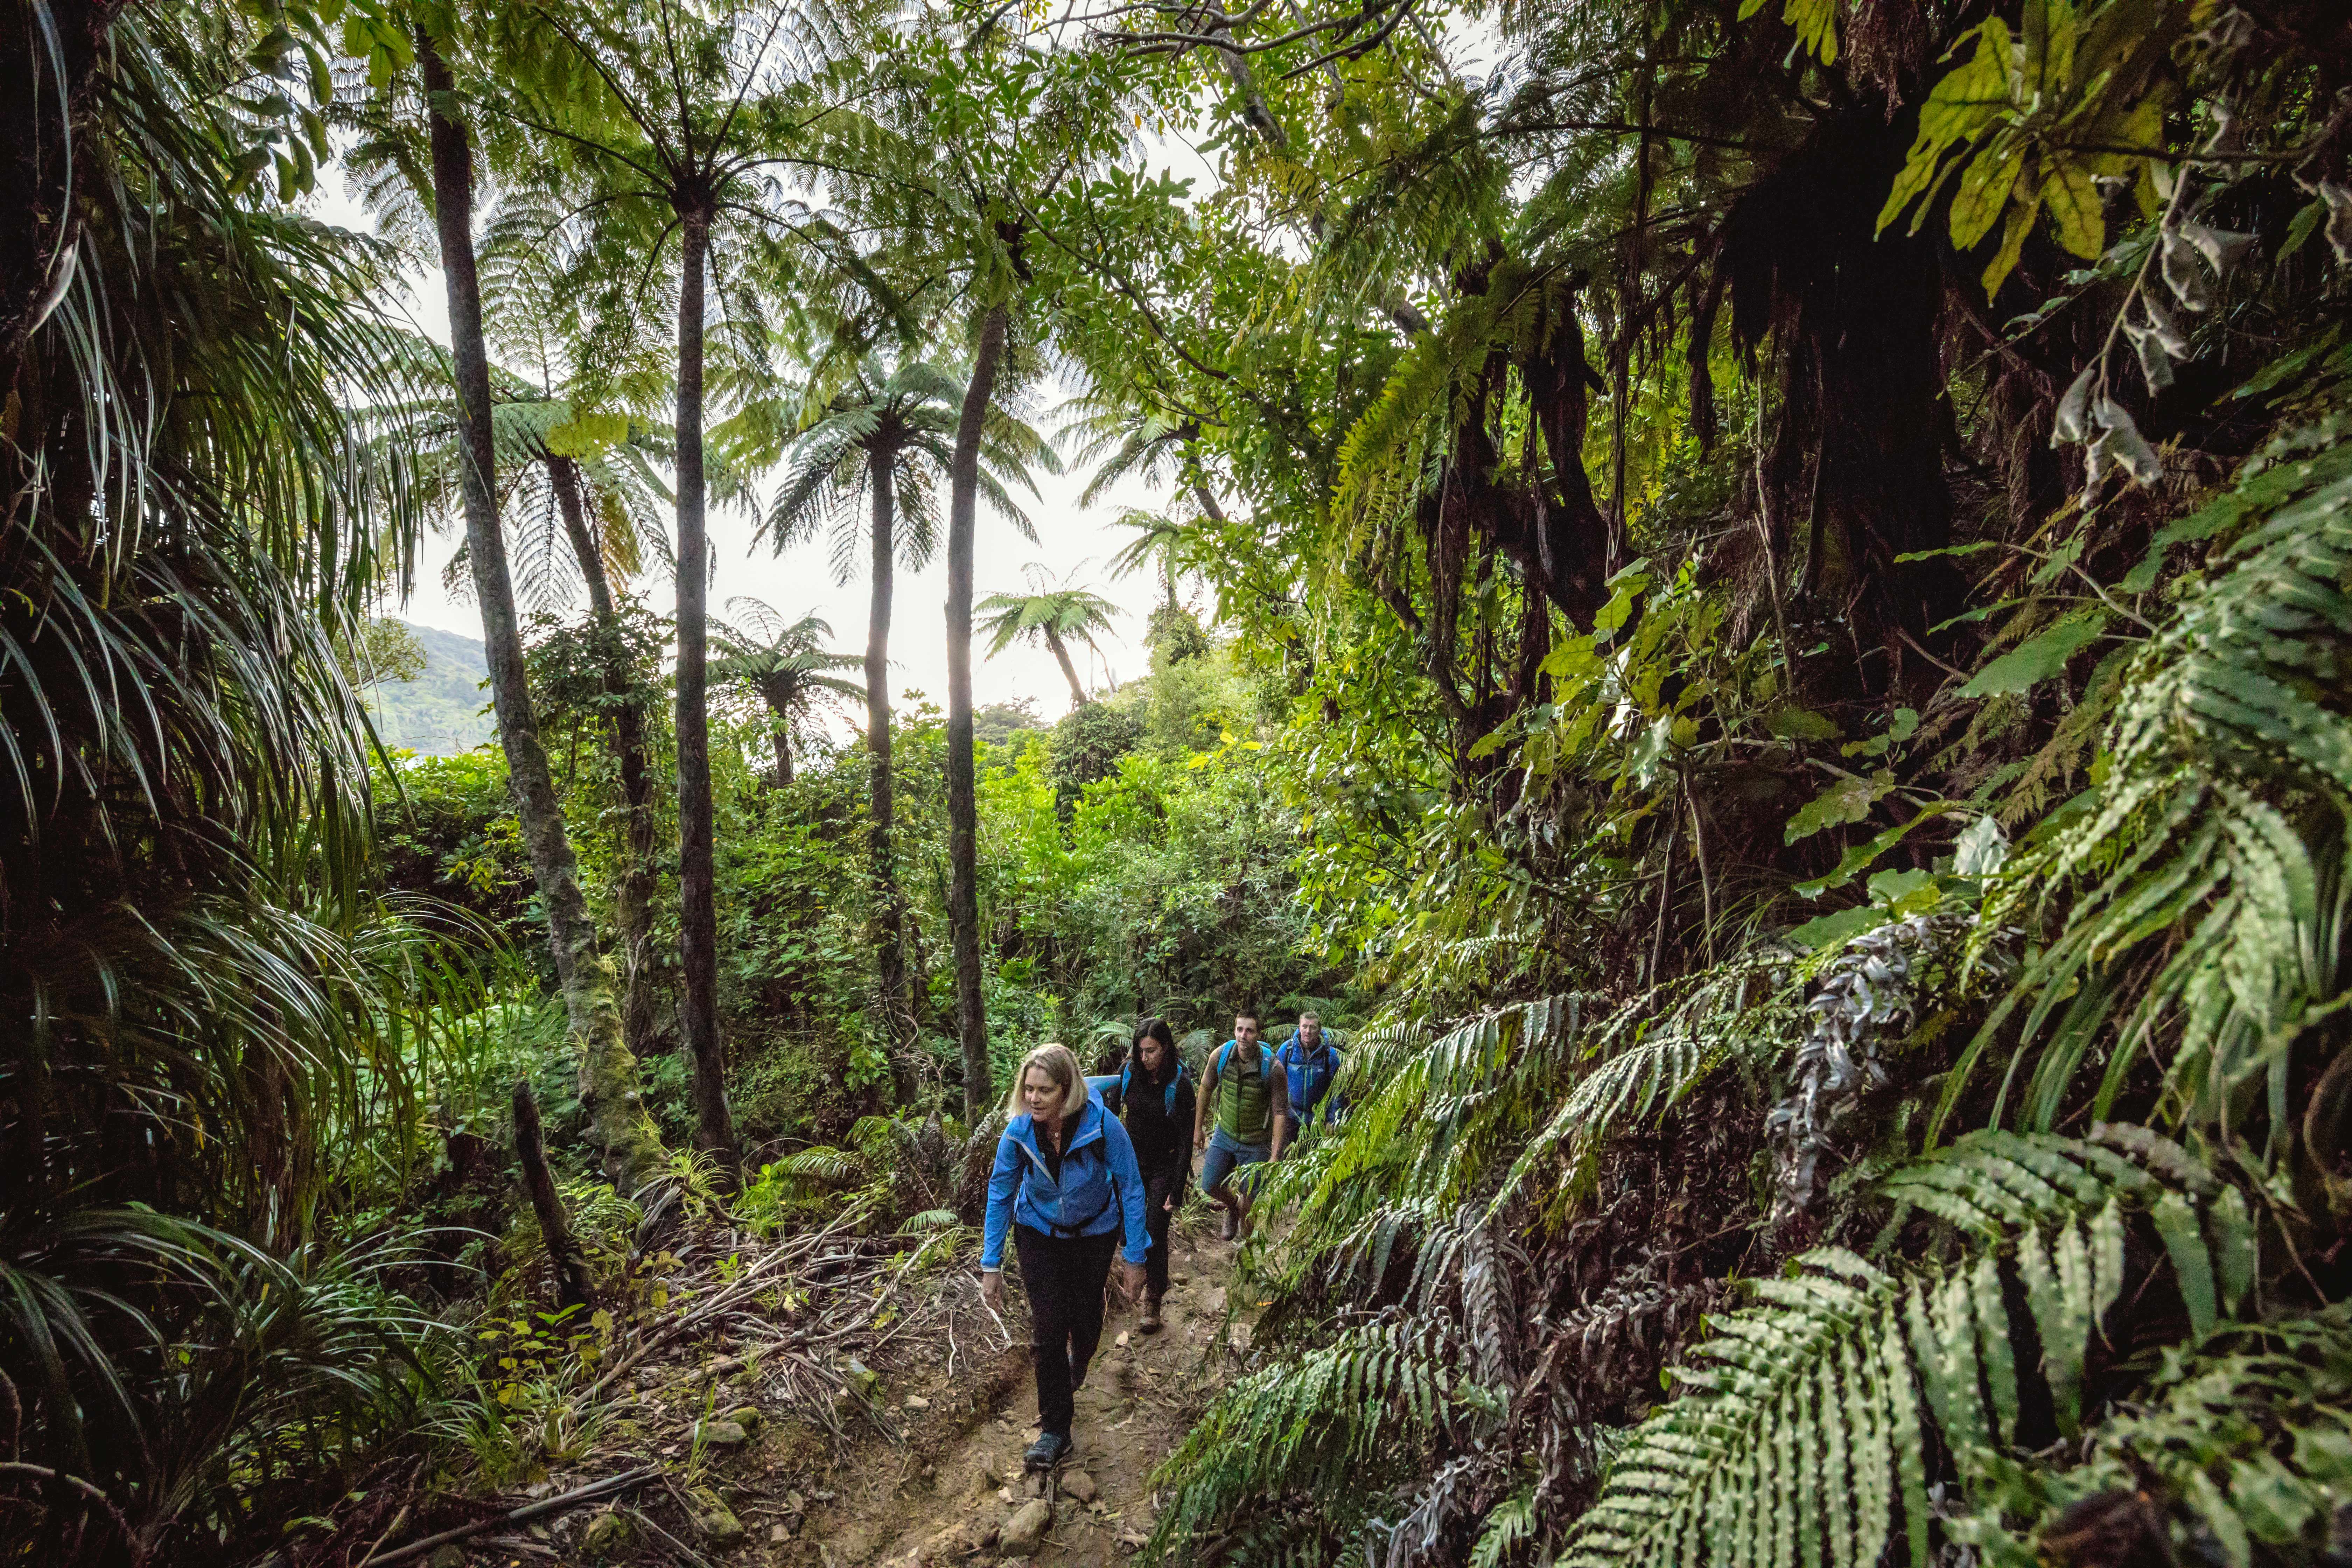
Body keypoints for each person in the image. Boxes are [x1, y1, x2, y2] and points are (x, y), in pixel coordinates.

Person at [980, 1043, 1150, 1471]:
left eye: (1045, 1090)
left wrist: (1135, 1258)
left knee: (1086, 1319)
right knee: (1049, 1328)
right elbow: (1000, 1193)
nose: (1034, 1098)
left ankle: (1081, 1360)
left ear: (1068, 1090)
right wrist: (991, 1263)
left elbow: (1131, 1187)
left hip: (1094, 1232)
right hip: (1038, 1232)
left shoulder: (1103, 1127)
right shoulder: (1018, 1132)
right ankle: (1056, 1429)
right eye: (1029, 1088)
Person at [1097, 1018, 1195, 1333]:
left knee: (1155, 1227)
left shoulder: (1179, 1085)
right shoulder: (1129, 1074)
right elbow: (1109, 1116)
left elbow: (1185, 1141)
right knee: (1126, 1229)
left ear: (1165, 1048)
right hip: (1130, 1164)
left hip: (1164, 1166)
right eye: (1140, 1051)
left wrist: (1177, 1190)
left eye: (1151, 1051)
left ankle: (1154, 1300)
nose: (1145, 1058)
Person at [1191, 1010, 1288, 1240]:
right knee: (1210, 1184)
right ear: (1234, 1030)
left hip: (1257, 1142)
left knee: (1251, 1197)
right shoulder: (1221, 1056)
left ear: (1258, 1034)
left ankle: (1245, 1249)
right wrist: (1198, 1128)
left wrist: (1275, 1155)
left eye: (1250, 1030)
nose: (1244, 1035)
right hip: (1225, 1134)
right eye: (1239, 1029)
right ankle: (1232, 1206)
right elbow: (1205, 1088)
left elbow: (1280, 1112)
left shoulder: (1273, 1068)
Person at [1277, 1011, 1346, 1145]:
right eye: (1304, 1027)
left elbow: (1337, 1090)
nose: (1308, 1031)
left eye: (1312, 1027)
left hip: (1318, 1121)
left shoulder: (1329, 1055)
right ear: (1299, 1028)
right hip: (1290, 1118)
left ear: (1320, 1030)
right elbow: (1275, 1083)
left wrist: (1332, 1120)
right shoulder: (1288, 1049)